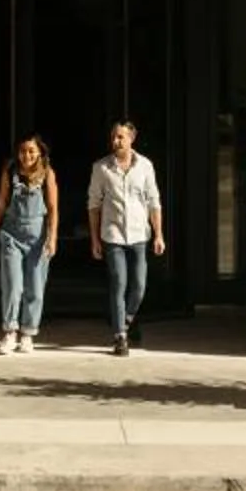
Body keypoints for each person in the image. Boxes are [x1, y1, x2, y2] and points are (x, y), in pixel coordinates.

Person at [86, 119, 164, 358]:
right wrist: (95, 239)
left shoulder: (145, 167)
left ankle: (126, 320)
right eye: (113, 137)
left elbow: (153, 202)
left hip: (140, 234)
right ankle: (120, 336)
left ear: (132, 138)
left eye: (120, 137)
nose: (116, 141)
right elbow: (93, 205)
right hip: (114, 236)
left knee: (138, 286)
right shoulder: (101, 168)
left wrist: (159, 234)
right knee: (119, 283)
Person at [0, 135, 59, 354]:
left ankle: (28, 333)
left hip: (38, 238)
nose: (27, 155)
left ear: (39, 152)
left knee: (35, 288)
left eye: (31, 151)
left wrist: (52, 238)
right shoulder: (10, 172)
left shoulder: (48, 174)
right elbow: (1, 205)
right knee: (13, 286)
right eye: (23, 151)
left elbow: (52, 208)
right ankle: (10, 331)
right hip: (11, 235)